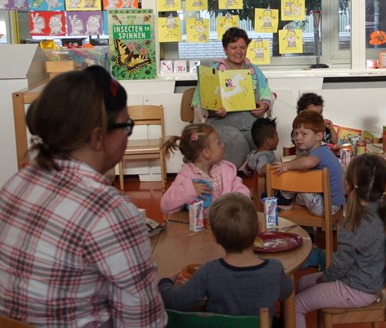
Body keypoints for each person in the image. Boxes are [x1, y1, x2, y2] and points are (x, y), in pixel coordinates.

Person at [0, 66, 166, 327]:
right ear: (98, 137)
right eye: (126, 126)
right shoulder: (110, 210)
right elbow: (144, 323)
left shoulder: (16, 183)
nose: (127, 135)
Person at [294, 154, 386, 328]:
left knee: (296, 305)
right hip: (371, 282)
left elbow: (340, 266)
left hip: (356, 289)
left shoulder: (353, 223)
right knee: (303, 283)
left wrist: (325, 279)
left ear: (348, 185)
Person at [158, 193, 293, 321]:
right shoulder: (274, 268)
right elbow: (287, 291)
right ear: (259, 228)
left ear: (215, 237)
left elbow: (177, 301)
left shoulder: (208, 271)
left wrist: (165, 283)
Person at [191, 27, 274, 168]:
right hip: (222, 122)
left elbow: (267, 94)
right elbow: (198, 100)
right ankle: (226, 177)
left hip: (251, 122)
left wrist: (264, 105)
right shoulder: (213, 71)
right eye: (233, 47)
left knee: (266, 138)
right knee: (233, 139)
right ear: (225, 49)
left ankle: (265, 177)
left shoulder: (254, 70)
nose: (238, 51)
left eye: (242, 47)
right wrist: (213, 109)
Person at [160, 123, 251, 214]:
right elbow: (166, 206)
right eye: (219, 143)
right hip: (200, 225)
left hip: (225, 221)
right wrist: (190, 189)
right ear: (206, 152)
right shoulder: (186, 176)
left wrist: (236, 202)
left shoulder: (225, 169)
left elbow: (242, 190)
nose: (223, 145)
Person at [271, 110, 345, 214]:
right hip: (333, 203)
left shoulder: (319, 153)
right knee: (300, 178)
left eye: (304, 134)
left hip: (327, 206)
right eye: (296, 133)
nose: (298, 138)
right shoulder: (322, 150)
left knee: (297, 181)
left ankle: (284, 201)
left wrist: (287, 166)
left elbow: (307, 163)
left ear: (319, 136)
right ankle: (285, 200)